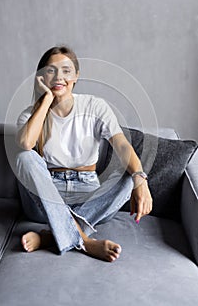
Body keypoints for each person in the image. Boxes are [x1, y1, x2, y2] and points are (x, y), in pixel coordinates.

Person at [15, 45, 152, 262]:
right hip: (46, 196)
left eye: (66, 70)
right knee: (24, 156)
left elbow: (122, 146)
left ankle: (53, 235)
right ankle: (84, 242)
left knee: (130, 175)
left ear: (76, 75)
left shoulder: (94, 106)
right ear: (41, 77)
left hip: (89, 195)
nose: (59, 76)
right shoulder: (30, 115)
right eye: (51, 70)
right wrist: (48, 99)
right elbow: (25, 143)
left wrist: (140, 180)